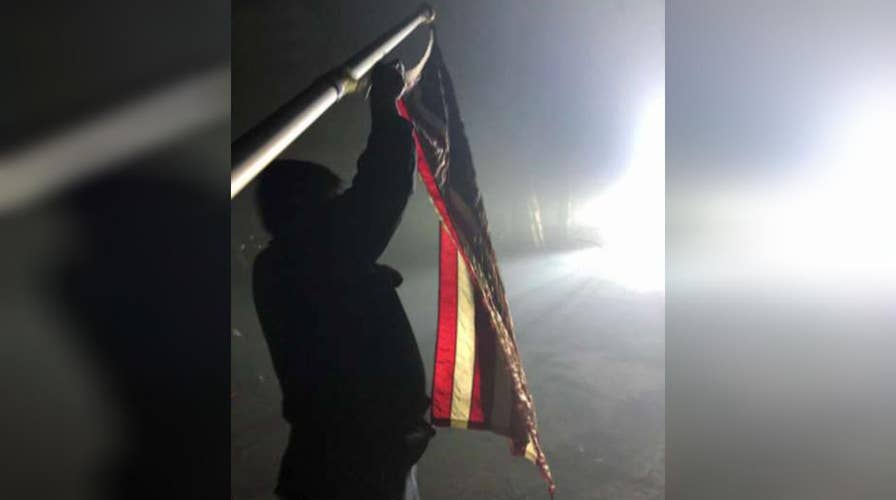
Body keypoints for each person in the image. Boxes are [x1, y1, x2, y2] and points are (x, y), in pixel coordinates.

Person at [252, 62, 433, 500]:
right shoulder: (309, 254)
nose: (341, 211)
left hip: (353, 455)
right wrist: (384, 104)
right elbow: (383, 185)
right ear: (307, 210)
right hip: (353, 465)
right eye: (332, 203)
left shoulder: (287, 263)